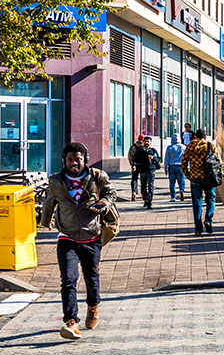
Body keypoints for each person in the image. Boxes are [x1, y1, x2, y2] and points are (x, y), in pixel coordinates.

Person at [39, 142, 116, 340]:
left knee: (91, 278)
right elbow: (49, 202)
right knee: (68, 280)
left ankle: (93, 307)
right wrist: (44, 222)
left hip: (91, 236)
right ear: (64, 160)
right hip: (67, 237)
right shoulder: (56, 181)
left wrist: (104, 203)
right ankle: (71, 322)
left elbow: (111, 193)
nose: (74, 163)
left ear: (85, 160)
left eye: (78, 159)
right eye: (70, 159)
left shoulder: (97, 177)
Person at [182, 129, 218, 236]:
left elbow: (183, 164)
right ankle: (208, 220)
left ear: (195, 137)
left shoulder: (189, 147)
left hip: (195, 177)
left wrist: (189, 175)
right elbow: (218, 162)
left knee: (197, 202)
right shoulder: (210, 146)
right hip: (208, 178)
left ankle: (198, 228)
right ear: (205, 137)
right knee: (211, 199)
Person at [134, 136, 160, 209]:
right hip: (142, 171)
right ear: (143, 142)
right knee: (143, 187)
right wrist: (134, 166)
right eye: (145, 141)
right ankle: (145, 199)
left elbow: (158, 159)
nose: (146, 143)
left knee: (150, 186)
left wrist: (153, 158)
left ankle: (149, 202)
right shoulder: (139, 151)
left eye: (148, 141)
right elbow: (135, 159)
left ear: (150, 142)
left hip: (151, 170)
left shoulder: (153, 151)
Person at [164, 134, 186, 202]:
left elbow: (166, 158)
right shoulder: (183, 147)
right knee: (181, 180)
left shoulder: (169, 147)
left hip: (172, 166)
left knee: (172, 182)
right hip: (180, 166)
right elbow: (186, 157)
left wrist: (165, 168)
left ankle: (172, 197)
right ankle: (181, 190)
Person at [126, 135, 144, 201]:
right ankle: (143, 193)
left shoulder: (133, 147)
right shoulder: (144, 147)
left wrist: (132, 164)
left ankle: (134, 192)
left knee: (134, 179)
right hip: (143, 166)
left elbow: (129, 156)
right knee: (143, 180)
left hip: (134, 166)